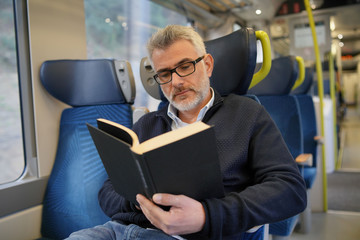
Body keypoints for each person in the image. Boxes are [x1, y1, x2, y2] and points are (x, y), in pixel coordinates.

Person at [67, 25, 307, 240]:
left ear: (208, 65)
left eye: (185, 66)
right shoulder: (147, 124)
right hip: (118, 230)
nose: (176, 82)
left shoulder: (247, 114)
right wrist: (140, 200)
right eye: (165, 74)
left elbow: (289, 189)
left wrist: (206, 215)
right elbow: (107, 190)